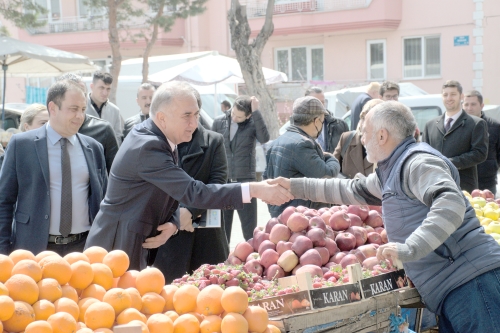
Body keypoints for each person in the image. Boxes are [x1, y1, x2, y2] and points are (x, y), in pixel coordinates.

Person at [270, 101, 500, 332]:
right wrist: (292, 186)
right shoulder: (392, 171)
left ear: (381, 135)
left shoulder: (417, 162)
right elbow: (346, 189)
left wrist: (410, 247)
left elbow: (450, 203)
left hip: (473, 283)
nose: (361, 139)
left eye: (365, 133)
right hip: (453, 288)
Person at [84, 81, 292, 270]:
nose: (194, 124)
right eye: (187, 116)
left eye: (196, 115)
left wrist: (174, 223)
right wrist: (255, 189)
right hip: (115, 247)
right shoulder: (148, 146)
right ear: (162, 118)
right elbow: (194, 192)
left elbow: (170, 194)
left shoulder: (160, 138)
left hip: (132, 243)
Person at [0, 80, 108, 256]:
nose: (80, 116)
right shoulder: (22, 145)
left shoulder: (94, 148)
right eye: (73, 109)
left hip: (83, 250)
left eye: (82, 109)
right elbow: (4, 201)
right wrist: (3, 251)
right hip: (33, 249)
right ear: (52, 108)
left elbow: (104, 202)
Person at [154, 88, 229, 283]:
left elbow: (218, 183)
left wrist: (190, 211)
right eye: (185, 114)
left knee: (210, 293)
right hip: (168, 233)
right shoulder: (156, 142)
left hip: (206, 235)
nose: (191, 121)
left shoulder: (214, 141)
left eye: (194, 114)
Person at [264, 96, 340, 217]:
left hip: (281, 214)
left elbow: (266, 177)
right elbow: (327, 175)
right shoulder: (302, 144)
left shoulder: (277, 141)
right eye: (322, 121)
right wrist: (331, 158)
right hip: (301, 218)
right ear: (316, 121)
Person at [212, 95, 270, 242]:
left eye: (239, 117)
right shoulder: (219, 122)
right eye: (233, 113)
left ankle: (252, 259)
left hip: (245, 183)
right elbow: (211, 149)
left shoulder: (252, 123)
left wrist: (256, 112)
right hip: (223, 182)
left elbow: (264, 138)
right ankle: (222, 261)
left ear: (248, 115)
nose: (234, 118)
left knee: (250, 230)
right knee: (222, 231)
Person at [422, 80, 488, 193]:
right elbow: (424, 154)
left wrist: (450, 162)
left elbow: (480, 153)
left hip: (463, 187)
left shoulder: (476, 123)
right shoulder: (430, 125)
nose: (449, 98)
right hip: (435, 185)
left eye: (453, 94)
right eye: (445, 94)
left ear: (461, 96)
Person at [57, 73, 119, 173]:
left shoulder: (103, 130)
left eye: (83, 93)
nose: (81, 98)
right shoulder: (45, 131)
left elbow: (115, 173)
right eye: (74, 94)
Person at [463, 90, 500, 194]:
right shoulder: (457, 127)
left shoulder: (495, 126)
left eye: (473, 104)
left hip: (487, 182)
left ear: (482, 105)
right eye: (466, 104)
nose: (469, 108)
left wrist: (491, 167)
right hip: (464, 181)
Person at [333, 99, 382, 178]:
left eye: (370, 120)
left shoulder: (387, 145)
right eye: (363, 118)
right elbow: (332, 170)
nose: (364, 124)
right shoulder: (347, 139)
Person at [305, 87, 348, 153]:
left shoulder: (340, 125)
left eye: (322, 102)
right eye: (316, 102)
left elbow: (347, 153)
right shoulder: (300, 127)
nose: (320, 106)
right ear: (306, 104)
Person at [86, 71, 124, 145]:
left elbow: (117, 138)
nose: (105, 93)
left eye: (108, 89)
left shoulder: (115, 111)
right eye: (101, 88)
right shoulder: (81, 107)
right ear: (92, 87)